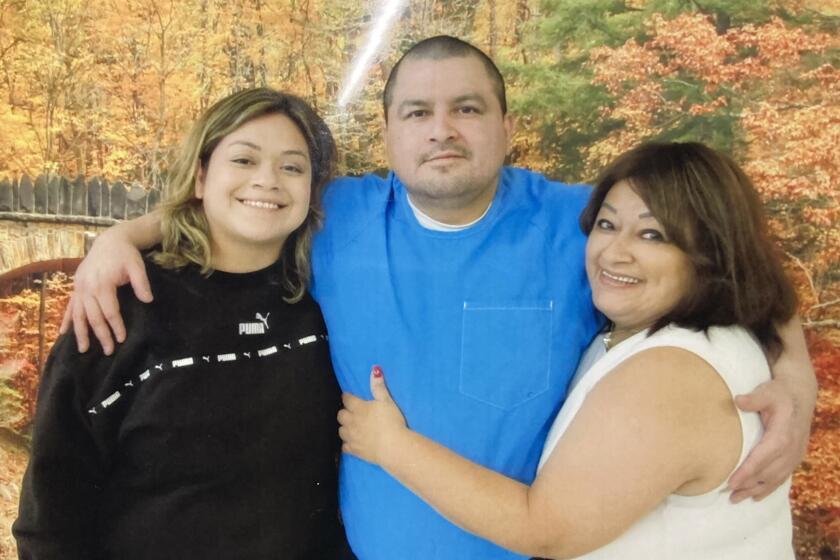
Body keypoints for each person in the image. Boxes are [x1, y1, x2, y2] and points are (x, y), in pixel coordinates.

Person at [59, 37, 816, 559]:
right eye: (417, 113)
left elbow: (727, 257)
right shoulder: (339, 217)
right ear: (387, 133)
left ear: (507, 127)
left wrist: (796, 379)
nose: (441, 130)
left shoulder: (586, 222)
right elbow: (243, 202)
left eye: (468, 108)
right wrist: (122, 235)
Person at [339, 142, 798, 559]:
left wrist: (390, 445)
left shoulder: (670, 375)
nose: (615, 253)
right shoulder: (662, 330)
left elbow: (546, 529)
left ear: (712, 252)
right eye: (607, 224)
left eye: (652, 235)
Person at [13, 88, 346, 559]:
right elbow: (52, 510)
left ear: (312, 192)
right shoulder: (121, 304)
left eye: (292, 167)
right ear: (201, 176)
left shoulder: (328, 304)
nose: (268, 180)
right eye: (245, 160)